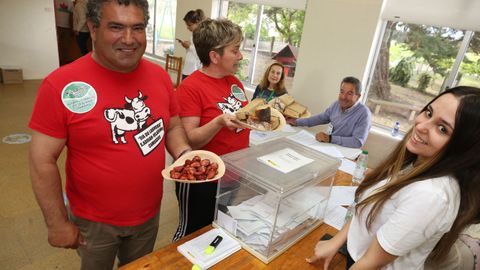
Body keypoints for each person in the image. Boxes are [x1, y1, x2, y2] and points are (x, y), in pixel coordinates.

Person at [29, 1, 191, 269]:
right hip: (94, 222)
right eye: (116, 27)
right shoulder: (60, 84)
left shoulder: (160, 76)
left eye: (137, 28)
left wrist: (185, 154)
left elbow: (172, 126)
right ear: (93, 29)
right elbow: (41, 160)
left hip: (149, 214)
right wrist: (56, 223)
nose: (129, 39)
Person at [307, 86, 480, 269]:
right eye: (428, 113)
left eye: (442, 128)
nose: (421, 126)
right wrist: (336, 241)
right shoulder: (415, 162)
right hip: (355, 253)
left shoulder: (431, 195)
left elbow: (370, 263)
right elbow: (371, 206)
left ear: (463, 148)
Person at [173, 18, 249, 241]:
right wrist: (218, 122)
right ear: (215, 56)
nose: (241, 56)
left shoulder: (234, 82)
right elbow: (190, 140)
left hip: (233, 175)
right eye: (235, 50)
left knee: (217, 230)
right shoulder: (190, 88)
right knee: (192, 233)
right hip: (203, 180)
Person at [287, 76, 371, 148]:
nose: (343, 97)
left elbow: (357, 142)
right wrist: (296, 122)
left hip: (346, 153)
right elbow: (321, 118)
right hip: (330, 147)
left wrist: (330, 138)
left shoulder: (364, 114)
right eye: (342, 92)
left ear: (358, 96)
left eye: (349, 93)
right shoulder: (336, 104)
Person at [177, 9, 205, 80]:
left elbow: (200, 53)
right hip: (188, 68)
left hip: (194, 70)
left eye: (189, 25)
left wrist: (189, 46)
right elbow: (191, 51)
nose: (187, 27)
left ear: (197, 22)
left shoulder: (202, 35)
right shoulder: (193, 34)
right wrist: (186, 46)